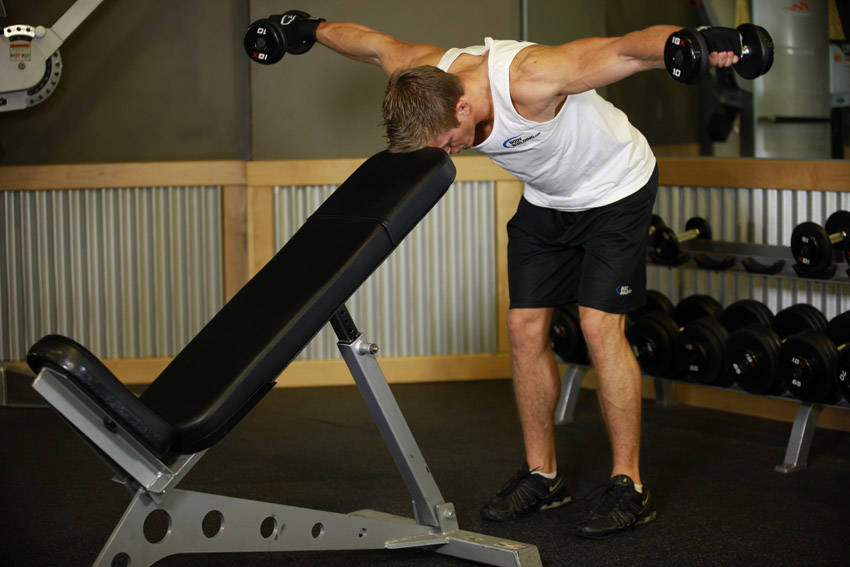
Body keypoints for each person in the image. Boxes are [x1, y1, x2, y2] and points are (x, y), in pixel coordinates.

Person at [268, 11, 738, 539]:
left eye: (450, 140)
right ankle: (543, 476)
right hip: (547, 200)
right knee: (523, 328)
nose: (451, 152)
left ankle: (628, 484)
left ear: (463, 105)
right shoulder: (424, 75)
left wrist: (690, 40)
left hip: (615, 190)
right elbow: (372, 45)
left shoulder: (531, 76)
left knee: (598, 326)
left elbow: (627, 49)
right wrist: (302, 29)